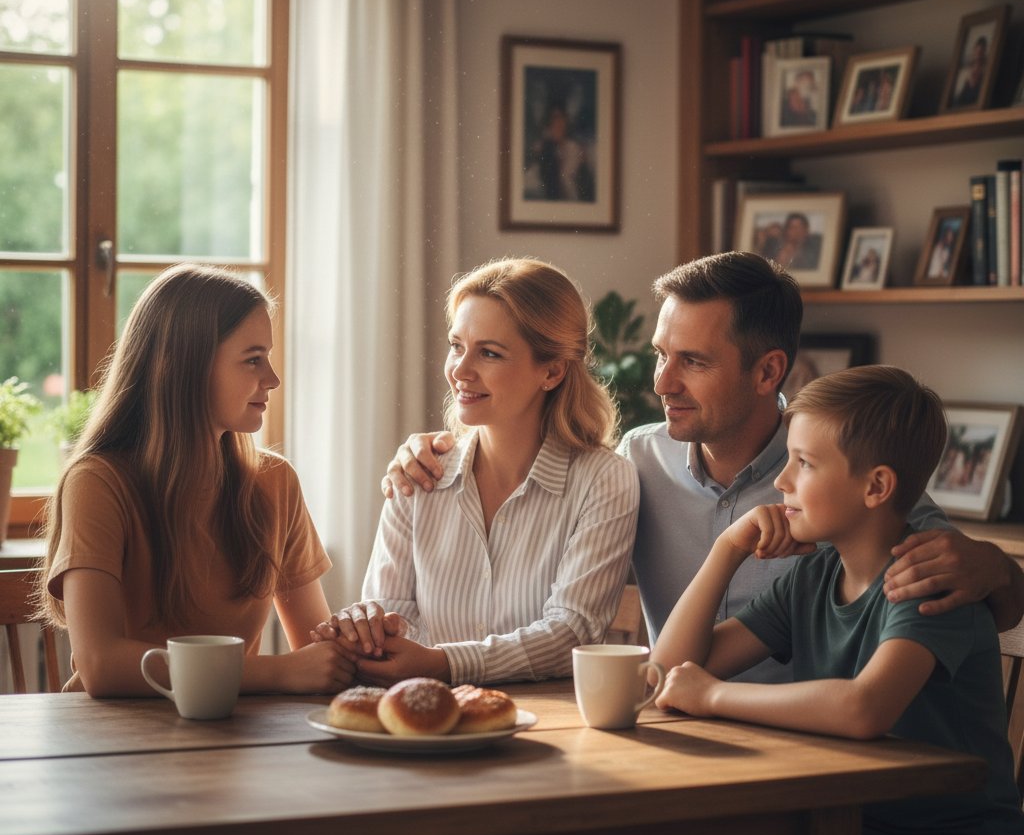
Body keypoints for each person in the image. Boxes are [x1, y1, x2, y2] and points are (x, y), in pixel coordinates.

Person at [383, 252, 1024, 684]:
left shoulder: (836, 476)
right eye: (662, 354)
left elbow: (985, 591)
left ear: (768, 371)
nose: (662, 382)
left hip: (816, 760)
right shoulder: (636, 459)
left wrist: (994, 565)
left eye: (693, 361)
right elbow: (534, 452)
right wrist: (435, 450)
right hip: (678, 735)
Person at [652, 366, 1024, 835]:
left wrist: (711, 695)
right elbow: (668, 671)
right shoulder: (816, 574)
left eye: (803, 464)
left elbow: (862, 709)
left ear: (876, 487)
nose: (781, 481)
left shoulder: (929, 581)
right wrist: (726, 550)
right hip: (832, 833)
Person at [316, 257, 639, 687]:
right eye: (456, 345)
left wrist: (441, 664)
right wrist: (369, 628)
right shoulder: (420, 472)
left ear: (552, 370)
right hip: (424, 718)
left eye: (489, 353)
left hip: (553, 728)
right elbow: (388, 612)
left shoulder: (604, 480)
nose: (460, 371)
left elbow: (571, 633)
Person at [37, 263, 356, 696]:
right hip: (113, 743)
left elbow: (317, 648)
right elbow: (100, 665)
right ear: (185, 366)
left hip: (230, 738)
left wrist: (358, 639)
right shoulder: (97, 482)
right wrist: (276, 672)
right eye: (253, 360)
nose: (272, 379)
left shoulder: (275, 482)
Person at [952, 35, 988, 108]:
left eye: (981, 51)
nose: (978, 54)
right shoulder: (966, 68)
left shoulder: (986, 68)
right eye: (977, 51)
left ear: (984, 52)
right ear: (974, 50)